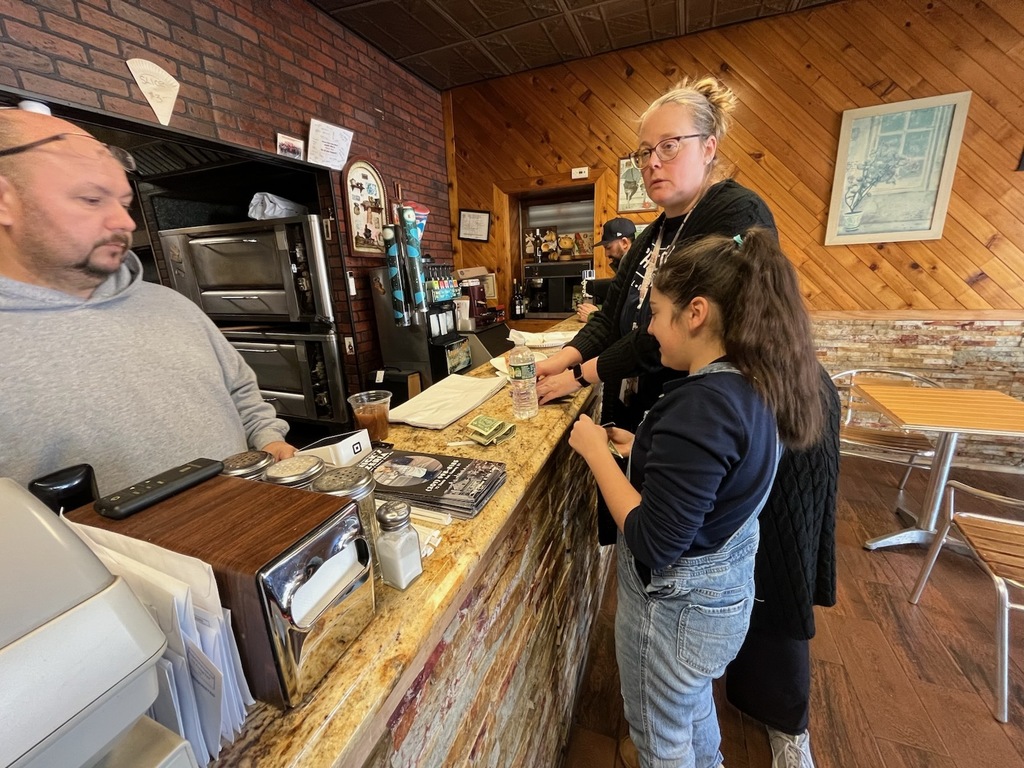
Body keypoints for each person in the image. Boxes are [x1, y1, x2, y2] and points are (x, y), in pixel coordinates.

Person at [567, 228, 823, 768]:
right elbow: (717, 475)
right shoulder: (752, 383)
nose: (650, 328)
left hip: (677, 613)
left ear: (696, 313)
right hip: (719, 604)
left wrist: (593, 451)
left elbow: (655, 540)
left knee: (660, 741)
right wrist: (643, 449)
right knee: (691, 709)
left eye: (656, 312)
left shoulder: (702, 406)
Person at [0, 108, 296, 496]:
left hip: (248, 532)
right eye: (91, 199)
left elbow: (241, 392)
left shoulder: (172, 306)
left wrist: (267, 438)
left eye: (123, 204)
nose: (126, 223)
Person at [537, 76, 776, 436]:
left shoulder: (736, 213)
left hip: (699, 418)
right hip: (638, 410)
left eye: (669, 146)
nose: (652, 163)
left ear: (708, 148)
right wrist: (559, 360)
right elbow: (609, 319)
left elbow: (681, 328)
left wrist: (579, 375)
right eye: (645, 152)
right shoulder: (653, 232)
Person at [723, 364, 839, 768]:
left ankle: (789, 729)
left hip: (786, 406)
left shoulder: (751, 317)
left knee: (781, 570)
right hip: (769, 398)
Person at [576, 217, 636, 321]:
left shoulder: (636, 270)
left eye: (608, 247)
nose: (606, 254)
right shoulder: (628, 267)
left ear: (624, 243)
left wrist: (593, 315)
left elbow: (629, 317)